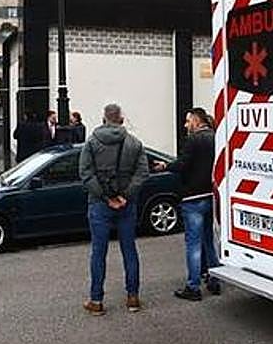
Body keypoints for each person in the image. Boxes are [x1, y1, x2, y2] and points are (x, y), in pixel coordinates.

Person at [79, 103, 148, 315]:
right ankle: (133, 297)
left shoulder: (92, 142)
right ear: (121, 119)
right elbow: (142, 172)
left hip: (100, 203)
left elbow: (85, 173)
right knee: (129, 250)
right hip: (127, 204)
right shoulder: (134, 143)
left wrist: (105, 196)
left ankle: (96, 300)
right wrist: (126, 195)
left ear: (104, 119)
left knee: (98, 252)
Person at [154, 108, 221, 300]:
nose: (185, 125)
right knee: (208, 240)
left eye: (187, 121)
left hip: (193, 198)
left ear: (197, 121)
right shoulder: (215, 137)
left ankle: (193, 287)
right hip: (209, 195)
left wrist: (166, 166)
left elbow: (183, 164)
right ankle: (214, 279)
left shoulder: (193, 140)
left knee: (193, 244)